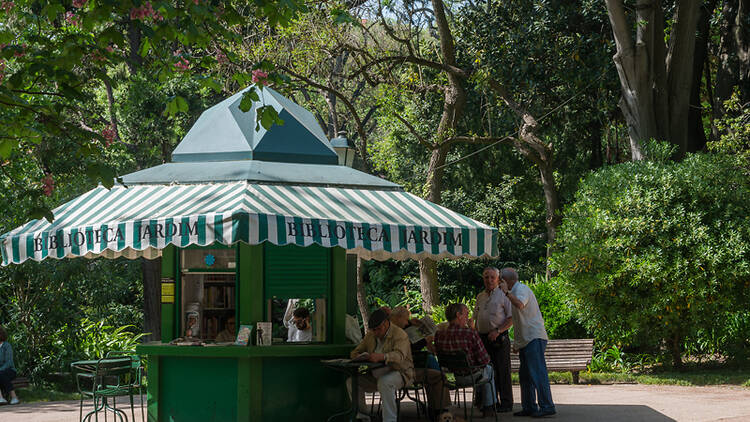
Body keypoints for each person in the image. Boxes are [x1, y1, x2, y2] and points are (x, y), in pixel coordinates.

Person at [499, 268, 556, 418]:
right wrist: (517, 343)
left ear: (507, 281)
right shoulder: (514, 291)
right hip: (526, 340)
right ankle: (529, 406)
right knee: (525, 375)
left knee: (537, 373)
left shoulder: (521, 289)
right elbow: (518, 321)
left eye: (501, 280)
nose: (499, 283)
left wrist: (506, 292)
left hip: (534, 338)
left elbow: (521, 305)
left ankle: (547, 406)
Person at [348, 309, 414, 422]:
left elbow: (399, 356)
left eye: (378, 329)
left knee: (385, 382)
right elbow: (356, 350)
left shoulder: (400, 334)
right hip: (375, 373)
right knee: (351, 382)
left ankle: (389, 420)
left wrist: (382, 357)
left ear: (386, 324)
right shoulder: (371, 335)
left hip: (400, 373)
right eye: (373, 330)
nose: (376, 333)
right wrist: (357, 355)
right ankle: (363, 417)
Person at [434, 303, 497, 418]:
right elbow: (484, 359)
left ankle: (480, 402)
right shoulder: (470, 333)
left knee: (482, 369)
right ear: (458, 315)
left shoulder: (439, 335)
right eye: (467, 313)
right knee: (489, 368)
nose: (468, 317)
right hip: (470, 376)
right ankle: (488, 407)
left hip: (451, 378)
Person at [389, 306, 450, 416]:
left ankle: (436, 407)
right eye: (406, 319)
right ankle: (439, 408)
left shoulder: (394, 327)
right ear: (398, 317)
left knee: (431, 365)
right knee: (436, 372)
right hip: (405, 368)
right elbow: (408, 349)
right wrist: (425, 341)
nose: (407, 322)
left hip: (406, 365)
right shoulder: (395, 331)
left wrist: (413, 324)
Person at [474, 266, 514, 412]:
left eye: (492, 277)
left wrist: (498, 331)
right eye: (486, 277)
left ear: (498, 279)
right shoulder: (480, 296)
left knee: (502, 371)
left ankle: (506, 403)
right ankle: (490, 402)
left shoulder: (504, 295)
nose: (489, 280)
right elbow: (475, 317)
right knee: (486, 372)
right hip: (482, 339)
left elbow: (511, 318)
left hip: (499, 337)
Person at [0, 325, 20, 405]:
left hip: (10, 370)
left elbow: (9, 362)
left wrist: (0, 369)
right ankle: (1, 398)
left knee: (1, 374)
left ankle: (14, 397)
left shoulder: (6, 345)